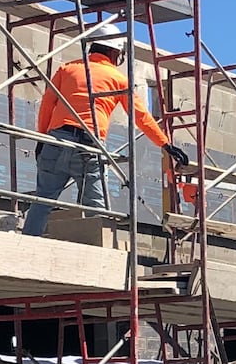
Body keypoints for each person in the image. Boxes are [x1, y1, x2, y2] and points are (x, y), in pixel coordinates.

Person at [22, 23, 190, 236]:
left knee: (42, 199)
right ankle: (95, 253)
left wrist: (42, 138)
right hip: (89, 147)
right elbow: (141, 117)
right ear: (114, 51)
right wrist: (165, 144)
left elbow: (47, 105)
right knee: (94, 207)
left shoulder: (68, 69)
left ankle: (28, 241)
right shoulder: (117, 79)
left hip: (56, 141)